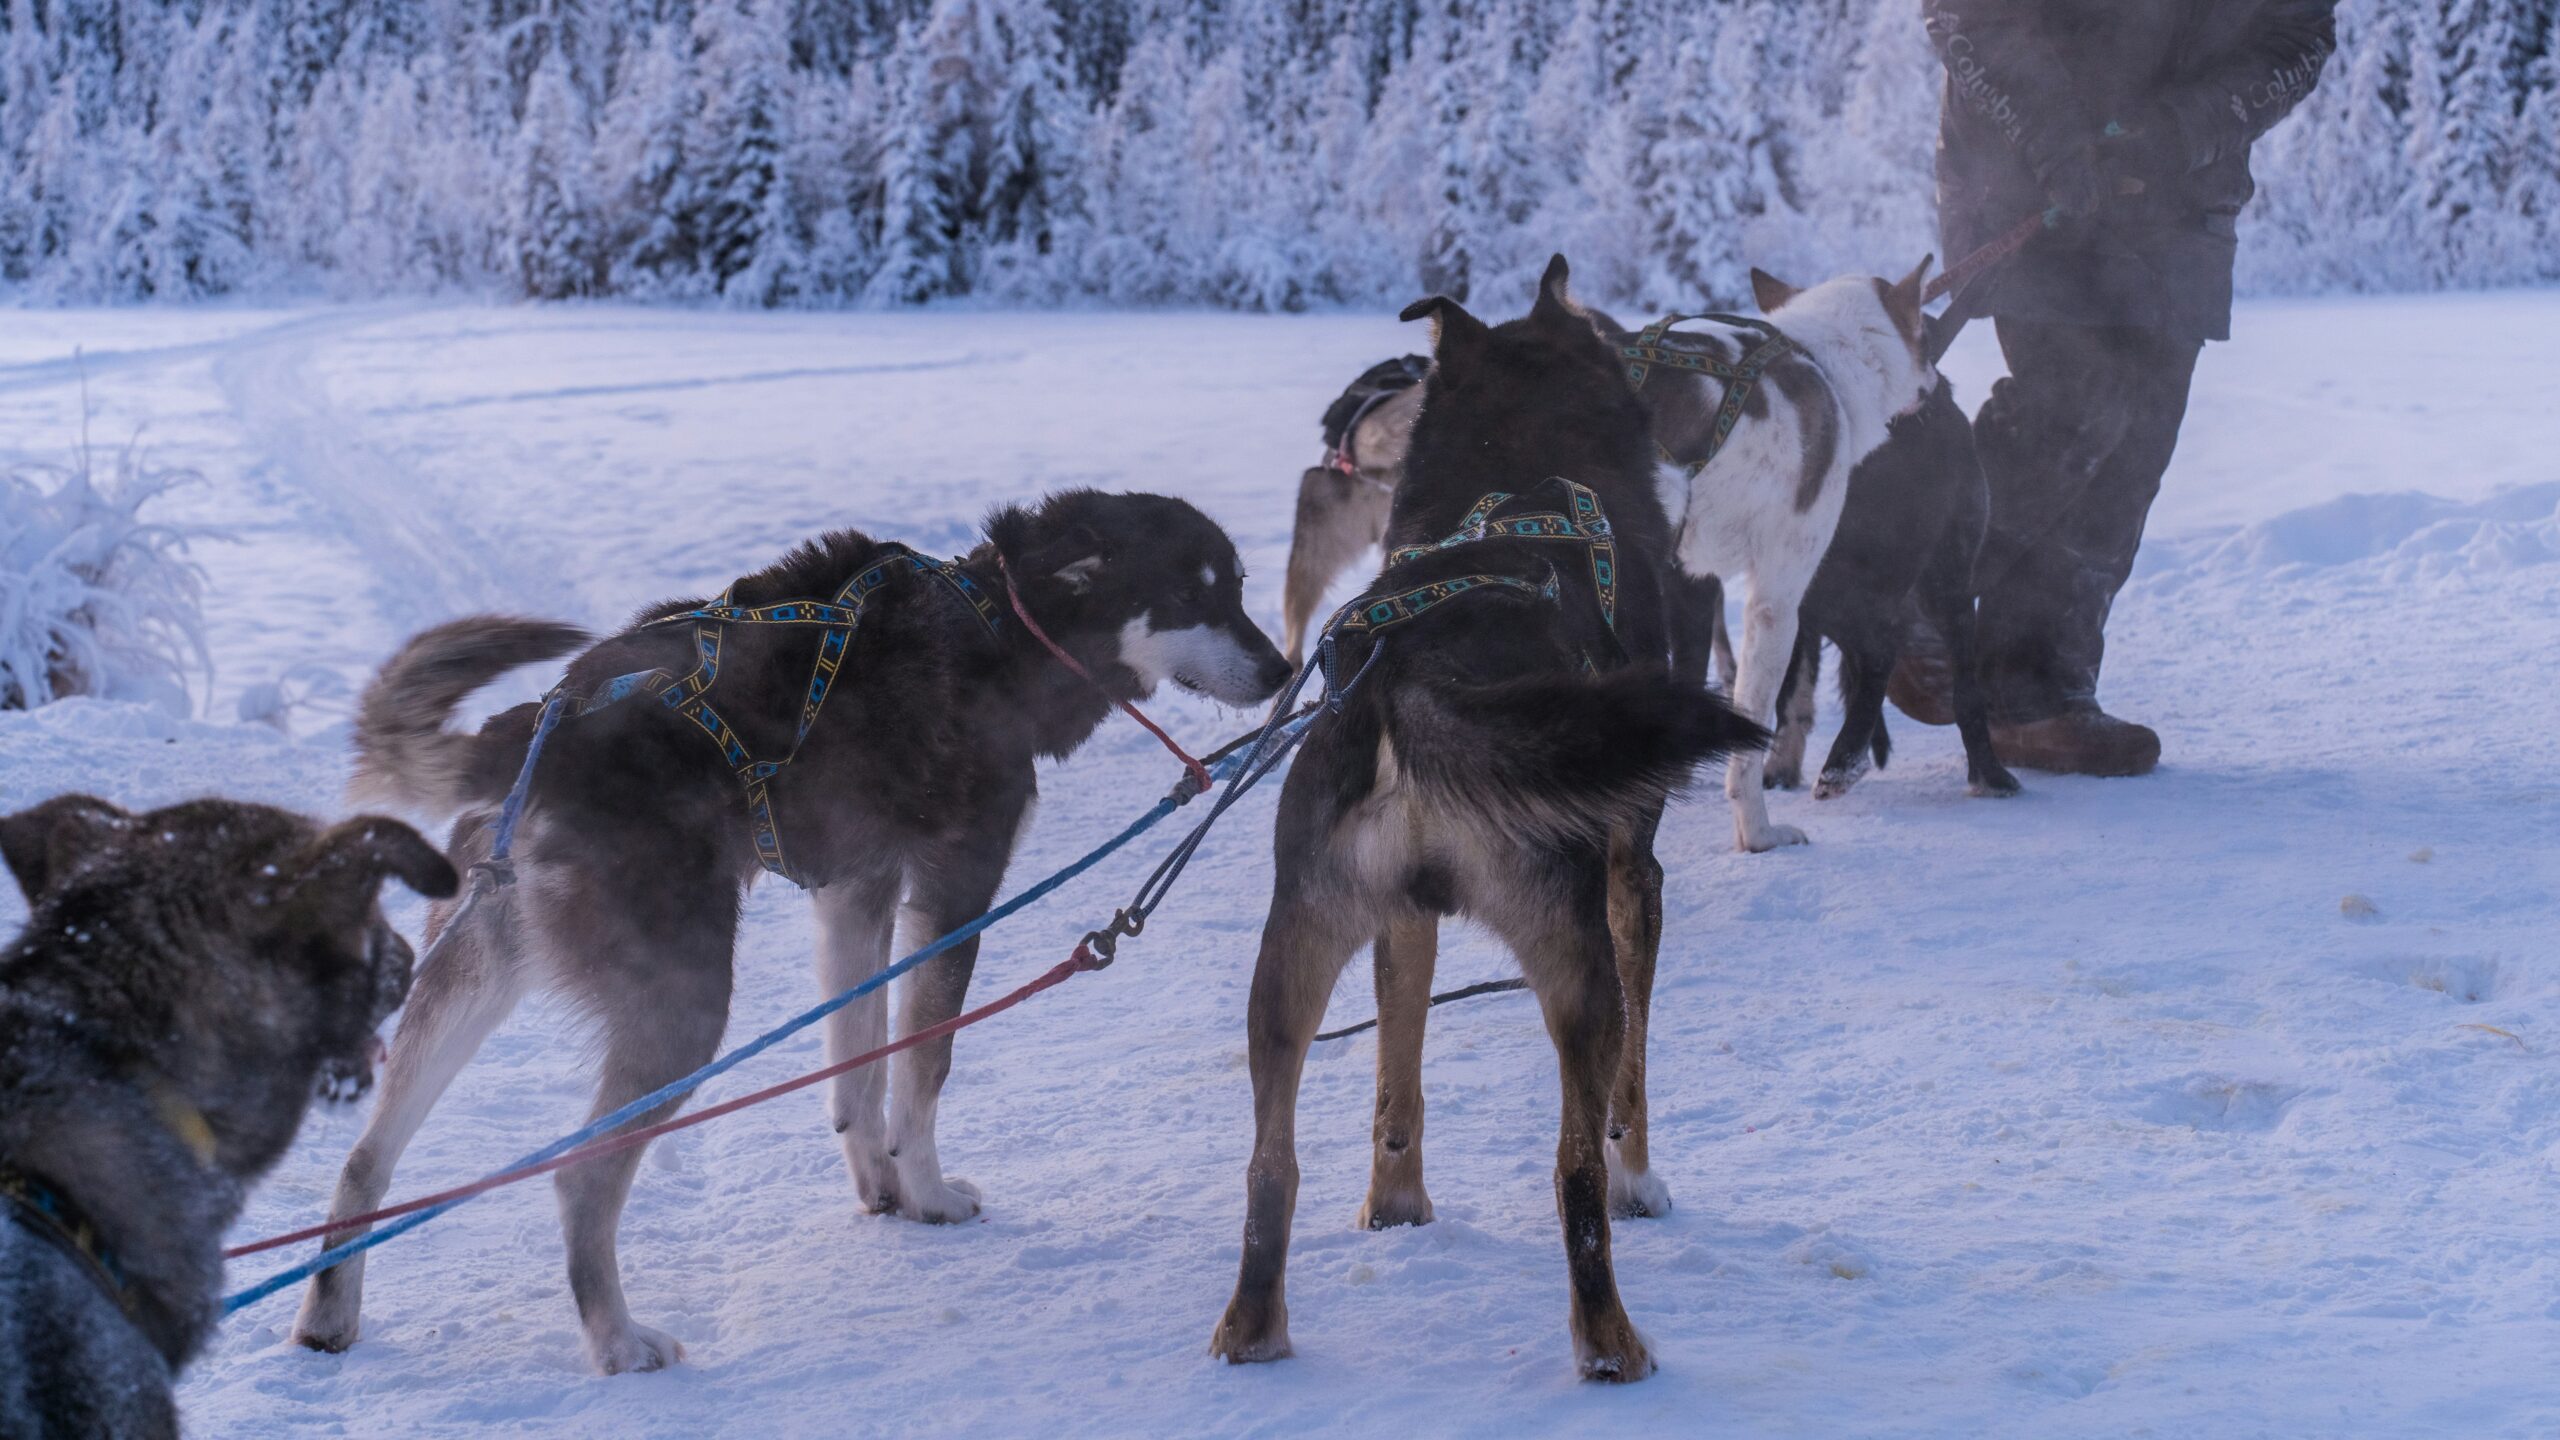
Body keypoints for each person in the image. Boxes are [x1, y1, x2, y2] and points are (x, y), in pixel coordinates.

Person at [1896, 0, 2340, 775]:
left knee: (2140, 437)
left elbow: (2297, 39)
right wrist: (2057, 139)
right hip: (2024, 168)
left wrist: (2180, 129)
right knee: (2074, 398)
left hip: (2183, 188)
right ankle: (1907, 590)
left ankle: (2034, 693)